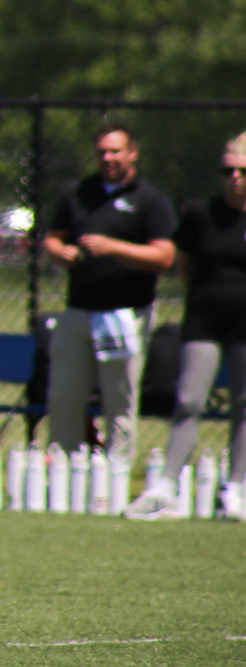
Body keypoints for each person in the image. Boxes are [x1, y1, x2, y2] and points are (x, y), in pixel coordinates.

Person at [124, 132, 246, 521]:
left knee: (244, 406)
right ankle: (164, 488)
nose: (234, 178)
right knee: (189, 400)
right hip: (205, 319)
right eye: (227, 170)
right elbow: (183, 263)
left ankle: (237, 488)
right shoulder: (200, 213)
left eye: (241, 170)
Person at [41, 122, 175, 475]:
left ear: (132, 153)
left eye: (115, 150)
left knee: (120, 399)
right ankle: (62, 470)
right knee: (65, 396)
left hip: (125, 313)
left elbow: (164, 257)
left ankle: (114, 474)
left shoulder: (149, 199)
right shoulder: (78, 192)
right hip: (79, 310)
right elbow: (52, 237)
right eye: (101, 151)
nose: (107, 158)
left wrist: (112, 247)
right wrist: (60, 252)